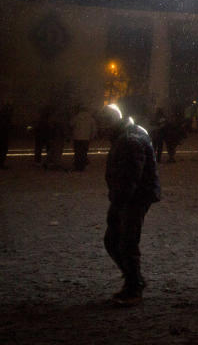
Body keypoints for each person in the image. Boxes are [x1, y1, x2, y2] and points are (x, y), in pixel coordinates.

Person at [98, 103, 161, 306]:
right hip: (131, 196)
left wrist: (119, 200)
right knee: (118, 240)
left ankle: (134, 287)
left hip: (133, 198)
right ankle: (134, 282)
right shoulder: (128, 134)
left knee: (124, 241)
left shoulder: (128, 140)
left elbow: (131, 176)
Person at [70, 105, 96, 172]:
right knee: (83, 152)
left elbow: (71, 124)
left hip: (77, 137)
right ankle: (82, 165)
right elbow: (93, 129)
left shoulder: (76, 117)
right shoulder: (90, 118)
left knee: (77, 152)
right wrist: (92, 137)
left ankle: (77, 165)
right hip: (86, 138)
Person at [0, 101, 13, 169]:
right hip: (3, 134)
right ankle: (1, 163)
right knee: (3, 149)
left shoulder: (4, 115)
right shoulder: (5, 116)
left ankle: (1, 163)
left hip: (4, 133)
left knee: (3, 149)